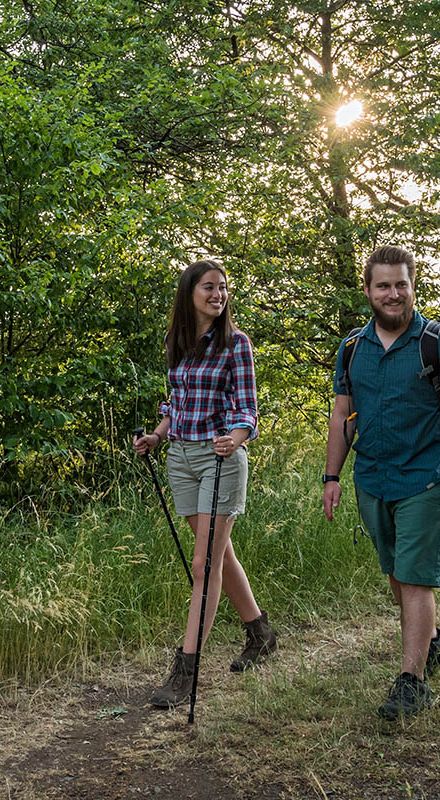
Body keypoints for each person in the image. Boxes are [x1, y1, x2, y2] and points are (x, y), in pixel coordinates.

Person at [322, 245, 440, 720]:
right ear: (367, 290)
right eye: (382, 285)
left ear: (412, 286)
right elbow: (343, 414)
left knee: (414, 576)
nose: (393, 294)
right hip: (372, 478)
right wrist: (332, 476)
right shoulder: (352, 348)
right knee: (394, 570)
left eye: (401, 284)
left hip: (425, 478)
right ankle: (431, 640)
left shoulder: (438, 343)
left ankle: (413, 682)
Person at [133, 259, 277, 709]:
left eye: (223, 288)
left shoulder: (237, 344)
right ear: (189, 293)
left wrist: (234, 439)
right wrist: (156, 435)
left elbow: (247, 410)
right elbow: (176, 401)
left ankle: (184, 669)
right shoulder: (176, 341)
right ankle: (260, 633)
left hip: (220, 459)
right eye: (209, 288)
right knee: (217, 556)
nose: (218, 294)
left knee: (202, 565)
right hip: (181, 458)